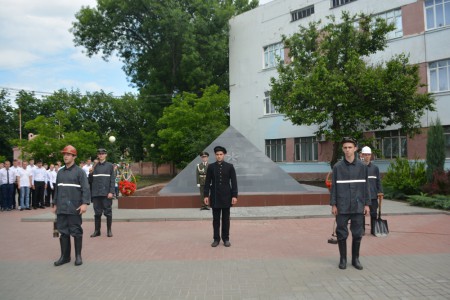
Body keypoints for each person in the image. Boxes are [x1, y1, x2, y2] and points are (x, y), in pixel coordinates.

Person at [330, 137, 370, 270]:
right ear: (342, 149)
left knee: (357, 233)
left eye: (350, 147)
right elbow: (334, 187)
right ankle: (343, 259)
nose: (347, 150)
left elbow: (366, 187)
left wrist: (366, 204)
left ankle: (355, 259)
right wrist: (333, 204)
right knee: (341, 233)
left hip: (358, 206)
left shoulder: (363, 167)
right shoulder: (337, 167)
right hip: (342, 206)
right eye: (345, 148)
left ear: (355, 149)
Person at [52, 145, 90, 266]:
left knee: (76, 231)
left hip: (75, 207)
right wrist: (55, 203)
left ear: (74, 157)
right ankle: (65, 256)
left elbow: (86, 189)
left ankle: (78, 256)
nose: (65, 156)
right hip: (61, 207)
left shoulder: (80, 172)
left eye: (68, 154)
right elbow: (56, 190)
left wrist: (85, 203)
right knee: (62, 232)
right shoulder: (60, 172)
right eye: (64, 154)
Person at [204, 146, 238, 247]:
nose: (219, 156)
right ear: (215, 155)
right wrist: (206, 195)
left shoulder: (230, 166)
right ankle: (216, 239)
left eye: (221, 154)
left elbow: (234, 182)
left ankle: (226, 239)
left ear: (224, 155)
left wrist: (234, 195)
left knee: (226, 219)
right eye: (217, 154)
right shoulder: (211, 167)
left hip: (227, 196)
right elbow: (207, 182)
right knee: (216, 219)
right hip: (215, 197)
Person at [89, 148, 115, 238]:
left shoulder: (110, 166)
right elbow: (90, 181)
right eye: (99, 154)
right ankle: (97, 231)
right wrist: (90, 174)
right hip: (96, 193)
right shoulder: (94, 166)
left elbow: (112, 180)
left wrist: (111, 192)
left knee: (108, 212)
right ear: (97, 155)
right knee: (97, 213)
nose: (101, 155)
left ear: (105, 155)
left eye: (102, 153)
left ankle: (109, 230)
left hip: (106, 193)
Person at [360, 146, 384, 236]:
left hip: (373, 195)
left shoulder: (375, 168)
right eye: (365, 154)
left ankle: (374, 230)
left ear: (371, 155)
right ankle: (361, 230)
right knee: (361, 214)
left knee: (374, 213)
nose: (367, 156)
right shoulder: (358, 167)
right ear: (361, 155)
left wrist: (380, 192)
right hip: (361, 196)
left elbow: (378, 181)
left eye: (368, 155)